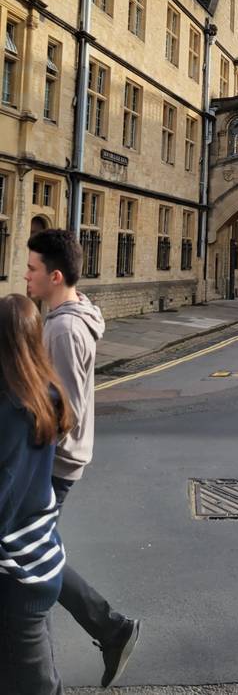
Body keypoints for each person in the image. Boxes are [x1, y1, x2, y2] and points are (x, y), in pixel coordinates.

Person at [26, 229, 141, 689]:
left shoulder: (65, 328)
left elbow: (65, 409)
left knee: (32, 555)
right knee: (30, 553)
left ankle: (110, 628)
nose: (26, 276)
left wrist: (24, 448)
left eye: (33, 269)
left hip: (53, 463)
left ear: (55, 276)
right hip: (56, 461)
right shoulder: (68, 316)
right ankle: (110, 629)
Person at [0, 293, 73, 695]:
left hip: (21, 574)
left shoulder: (14, 409)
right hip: (43, 557)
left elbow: (4, 502)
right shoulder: (45, 393)